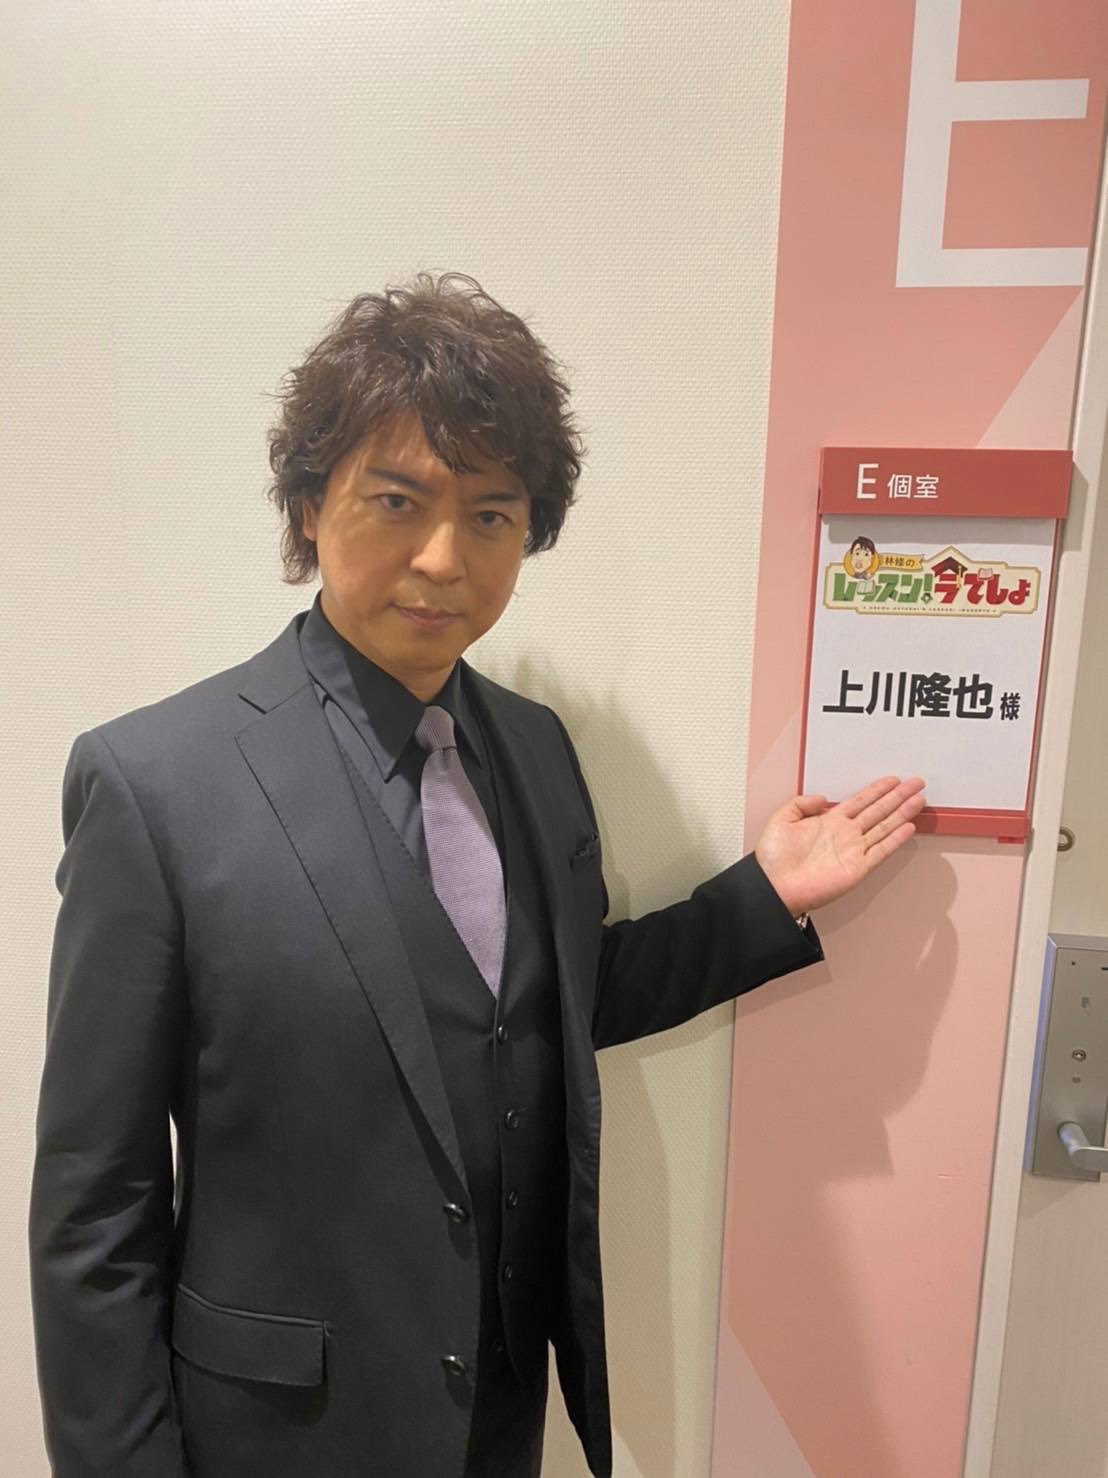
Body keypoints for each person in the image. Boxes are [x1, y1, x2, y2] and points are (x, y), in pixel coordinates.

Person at [28, 272, 925, 1478]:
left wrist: (760, 896)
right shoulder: (155, 783)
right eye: (396, 500)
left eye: (492, 515)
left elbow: (547, 1001)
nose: (443, 558)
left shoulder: (534, 748)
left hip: (496, 1414)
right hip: (276, 1434)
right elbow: (95, 1206)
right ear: (310, 506)